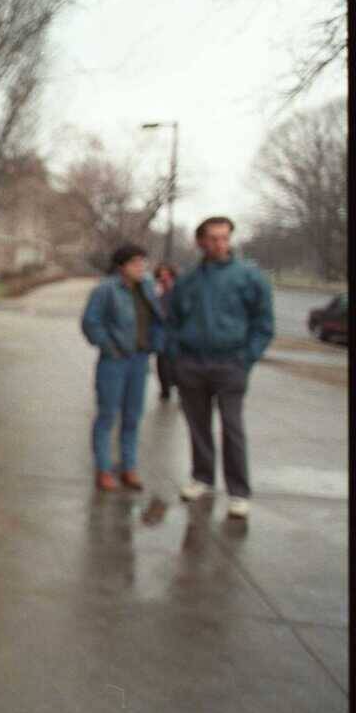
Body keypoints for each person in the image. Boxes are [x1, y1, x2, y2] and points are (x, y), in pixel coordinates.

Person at [165, 216, 274, 519]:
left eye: (225, 238)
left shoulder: (249, 278)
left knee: (232, 427)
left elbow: (263, 323)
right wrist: (176, 358)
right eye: (213, 238)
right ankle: (202, 477)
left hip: (230, 363)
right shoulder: (188, 280)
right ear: (200, 241)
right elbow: (171, 321)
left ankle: (239, 492)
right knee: (197, 425)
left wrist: (247, 358)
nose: (220, 244)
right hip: (192, 363)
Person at [81, 243, 165, 492]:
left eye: (143, 262)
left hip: (139, 359)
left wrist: (155, 344)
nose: (141, 267)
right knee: (107, 415)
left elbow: (157, 318)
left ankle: (129, 466)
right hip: (114, 361)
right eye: (136, 263)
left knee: (132, 416)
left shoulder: (146, 287)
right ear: (122, 266)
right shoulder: (106, 289)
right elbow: (91, 323)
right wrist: (109, 347)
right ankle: (104, 469)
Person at [153, 262, 179, 400]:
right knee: (162, 364)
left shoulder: (179, 291)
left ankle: (179, 389)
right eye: (161, 275)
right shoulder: (155, 292)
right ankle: (165, 390)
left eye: (167, 275)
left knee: (177, 364)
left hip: (176, 334)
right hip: (161, 335)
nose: (164, 278)